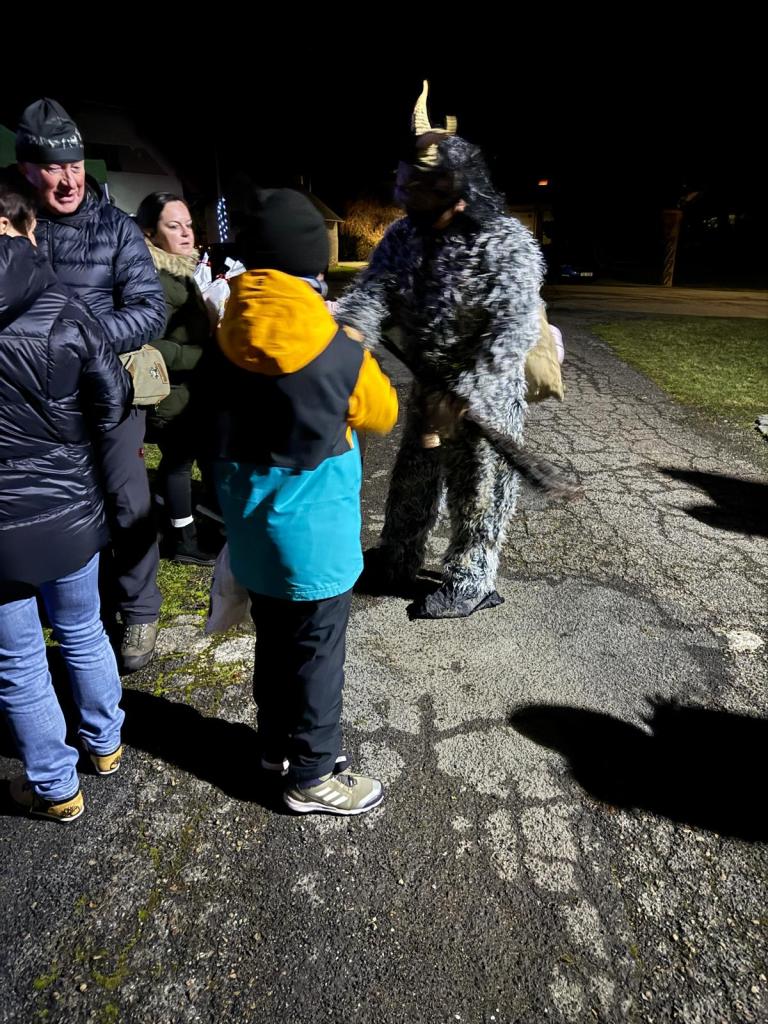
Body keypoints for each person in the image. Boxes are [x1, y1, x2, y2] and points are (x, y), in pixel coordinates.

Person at [213, 189, 398, 815]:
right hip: (315, 540)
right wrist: (355, 346)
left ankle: (276, 746)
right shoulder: (337, 349)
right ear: (312, 263)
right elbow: (382, 413)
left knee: (273, 642)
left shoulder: (224, 333)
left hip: (252, 531)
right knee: (318, 655)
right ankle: (314, 775)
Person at [335, 81, 545, 618]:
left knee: (478, 492)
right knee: (413, 479)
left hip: (484, 397)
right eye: (402, 181)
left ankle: (472, 579)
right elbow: (374, 294)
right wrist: (345, 332)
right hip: (429, 387)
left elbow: (513, 330)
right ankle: (397, 558)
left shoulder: (505, 242)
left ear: (453, 189)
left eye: (415, 186)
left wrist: (468, 393)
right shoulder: (405, 236)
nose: (402, 193)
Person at [16, 98, 167, 671]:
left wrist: (81, 338)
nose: (68, 180)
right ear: (27, 169)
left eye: (75, 166)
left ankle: (140, 609)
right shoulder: (14, 227)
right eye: (53, 168)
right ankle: (67, 607)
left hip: (109, 392)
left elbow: (150, 310)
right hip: (35, 398)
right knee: (56, 504)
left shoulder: (117, 228)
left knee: (127, 499)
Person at [0, 170, 131, 823]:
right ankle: (105, 745)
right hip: (69, 506)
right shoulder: (66, 309)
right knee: (82, 629)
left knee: (18, 658)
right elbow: (113, 400)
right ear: (26, 230)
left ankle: (56, 787)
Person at [135, 192, 218, 565]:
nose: (186, 233)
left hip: (192, 388)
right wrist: (202, 355)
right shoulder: (152, 278)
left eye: (188, 225)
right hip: (172, 392)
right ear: (150, 233)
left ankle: (193, 520)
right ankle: (182, 538)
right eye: (174, 226)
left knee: (194, 457)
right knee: (179, 461)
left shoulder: (178, 268)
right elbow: (149, 345)